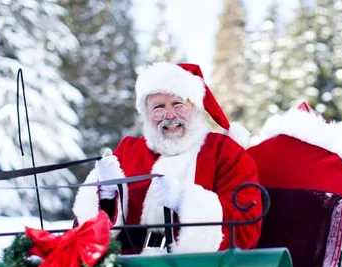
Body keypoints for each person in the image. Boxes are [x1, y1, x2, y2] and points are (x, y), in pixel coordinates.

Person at [71, 62, 261, 254]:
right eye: (158, 108)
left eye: (178, 105)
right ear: (146, 113)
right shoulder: (128, 151)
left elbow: (247, 230)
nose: (169, 115)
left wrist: (185, 200)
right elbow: (84, 238)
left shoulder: (224, 151)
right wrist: (107, 198)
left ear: (194, 107)